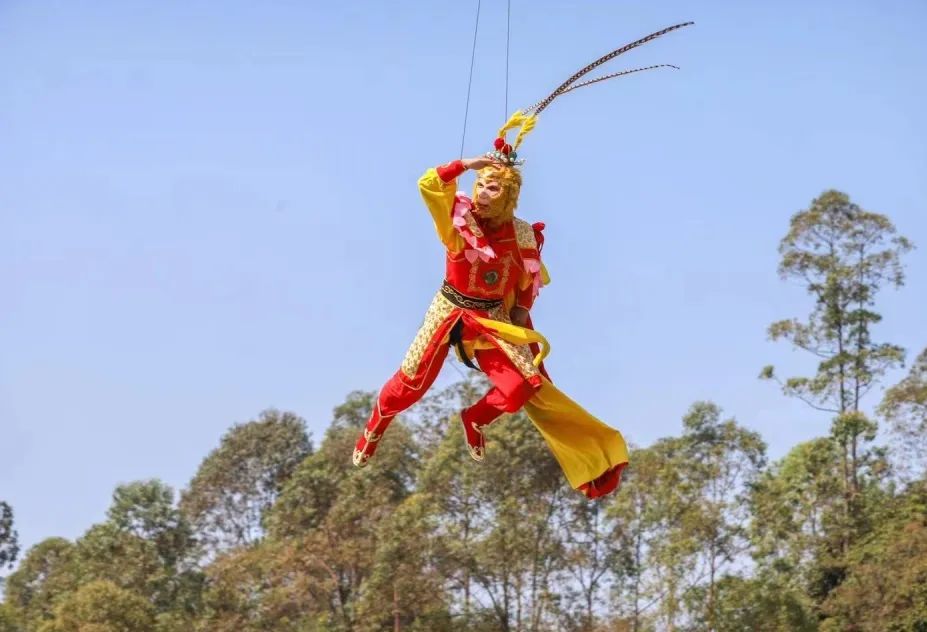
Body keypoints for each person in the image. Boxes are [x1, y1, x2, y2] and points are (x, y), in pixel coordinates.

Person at [353, 115, 629, 498]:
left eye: (492, 187)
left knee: (523, 386)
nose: (483, 192)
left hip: (491, 319)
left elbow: (527, 279)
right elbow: (428, 183)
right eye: (480, 184)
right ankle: (374, 429)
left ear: (508, 194)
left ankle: (475, 419)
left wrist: (520, 314)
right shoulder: (458, 218)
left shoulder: (522, 233)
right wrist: (467, 164)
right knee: (411, 385)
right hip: (449, 311)